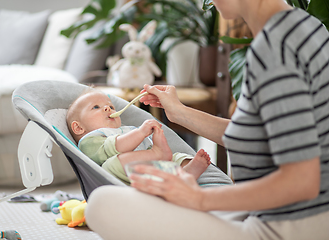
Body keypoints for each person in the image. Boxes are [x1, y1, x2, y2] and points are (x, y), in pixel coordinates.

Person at [84, 0, 329, 239]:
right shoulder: (306, 27)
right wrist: (178, 112)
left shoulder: (274, 49)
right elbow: (260, 135)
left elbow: (301, 181)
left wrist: (199, 199)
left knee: (101, 205)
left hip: (288, 225)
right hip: (283, 212)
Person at [66, 88, 211, 184]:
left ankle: (184, 173)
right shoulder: (90, 140)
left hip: (152, 169)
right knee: (111, 165)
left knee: (177, 156)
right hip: (123, 179)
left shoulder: (127, 129)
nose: (107, 108)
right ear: (78, 128)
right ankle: (163, 160)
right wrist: (142, 135)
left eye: (111, 106)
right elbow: (115, 147)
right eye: (95, 107)